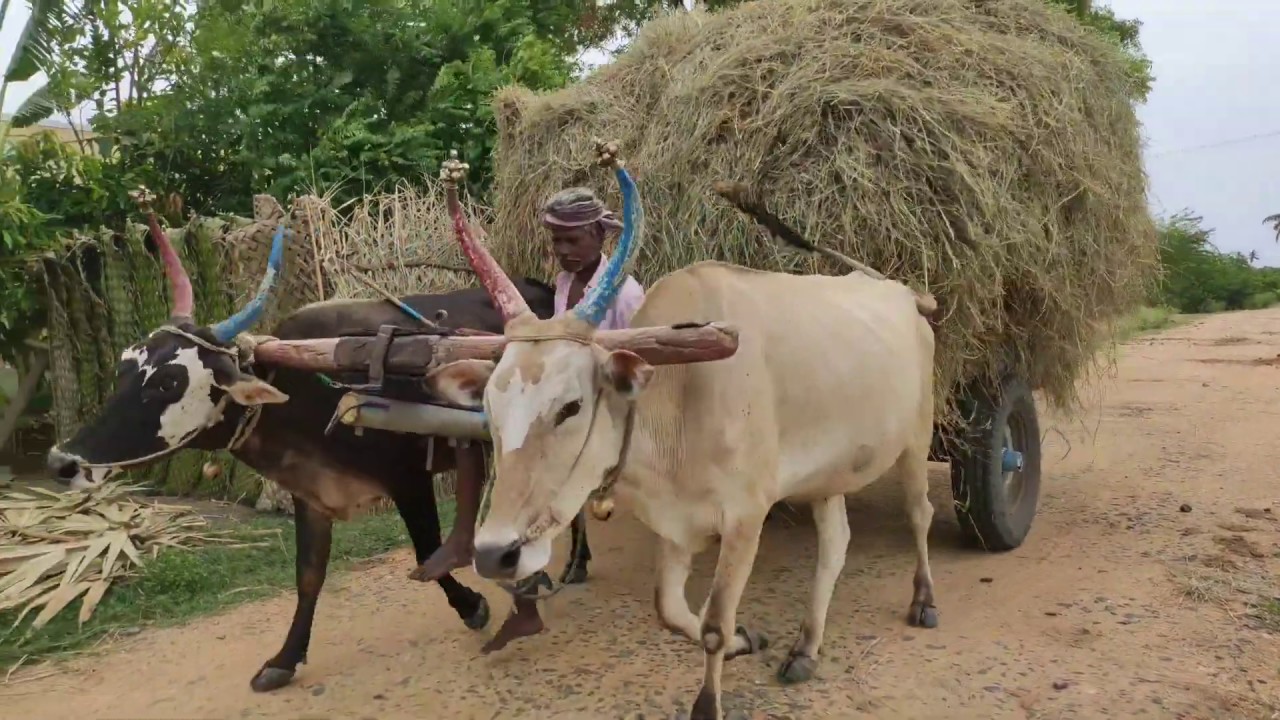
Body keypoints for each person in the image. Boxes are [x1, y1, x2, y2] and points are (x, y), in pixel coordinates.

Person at [409, 185, 645, 653]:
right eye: (556, 243)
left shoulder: (627, 293)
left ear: (600, 235)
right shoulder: (561, 286)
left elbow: (626, 354)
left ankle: (490, 555)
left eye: (572, 241)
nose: (562, 252)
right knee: (491, 428)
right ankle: (486, 548)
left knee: (543, 448)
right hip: (563, 395)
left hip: (604, 399)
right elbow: (556, 345)